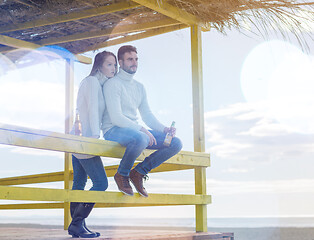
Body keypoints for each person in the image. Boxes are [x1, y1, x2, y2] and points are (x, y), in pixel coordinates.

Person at [102, 45, 182, 198]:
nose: (134, 62)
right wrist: (142, 130)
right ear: (121, 62)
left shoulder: (139, 87)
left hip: (135, 131)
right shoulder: (113, 84)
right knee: (142, 137)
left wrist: (164, 129)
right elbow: (116, 117)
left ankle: (139, 172)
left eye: (136, 59)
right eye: (130, 59)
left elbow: (147, 115)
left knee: (175, 143)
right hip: (113, 130)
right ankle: (122, 174)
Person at [68, 51, 117, 238]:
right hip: (86, 140)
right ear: (99, 66)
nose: (113, 68)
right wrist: (95, 138)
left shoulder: (95, 83)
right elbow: (92, 112)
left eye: (114, 65)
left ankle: (78, 226)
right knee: (101, 183)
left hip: (79, 140)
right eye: (109, 64)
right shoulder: (92, 82)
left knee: (79, 183)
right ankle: (76, 223)